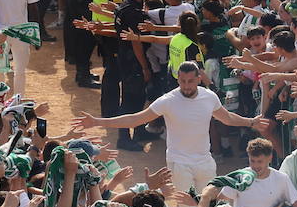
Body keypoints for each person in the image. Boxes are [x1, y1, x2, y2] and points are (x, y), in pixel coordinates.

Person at [75, 62, 265, 198]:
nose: (186, 86)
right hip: (179, 163)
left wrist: (250, 122)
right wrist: (97, 122)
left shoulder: (210, 97)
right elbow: (136, 119)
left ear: (199, 79)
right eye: (182, 81)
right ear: (178, 79)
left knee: (208, 206)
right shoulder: (168, 100)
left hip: (205, 161)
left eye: (190, 81)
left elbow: (227, 118)